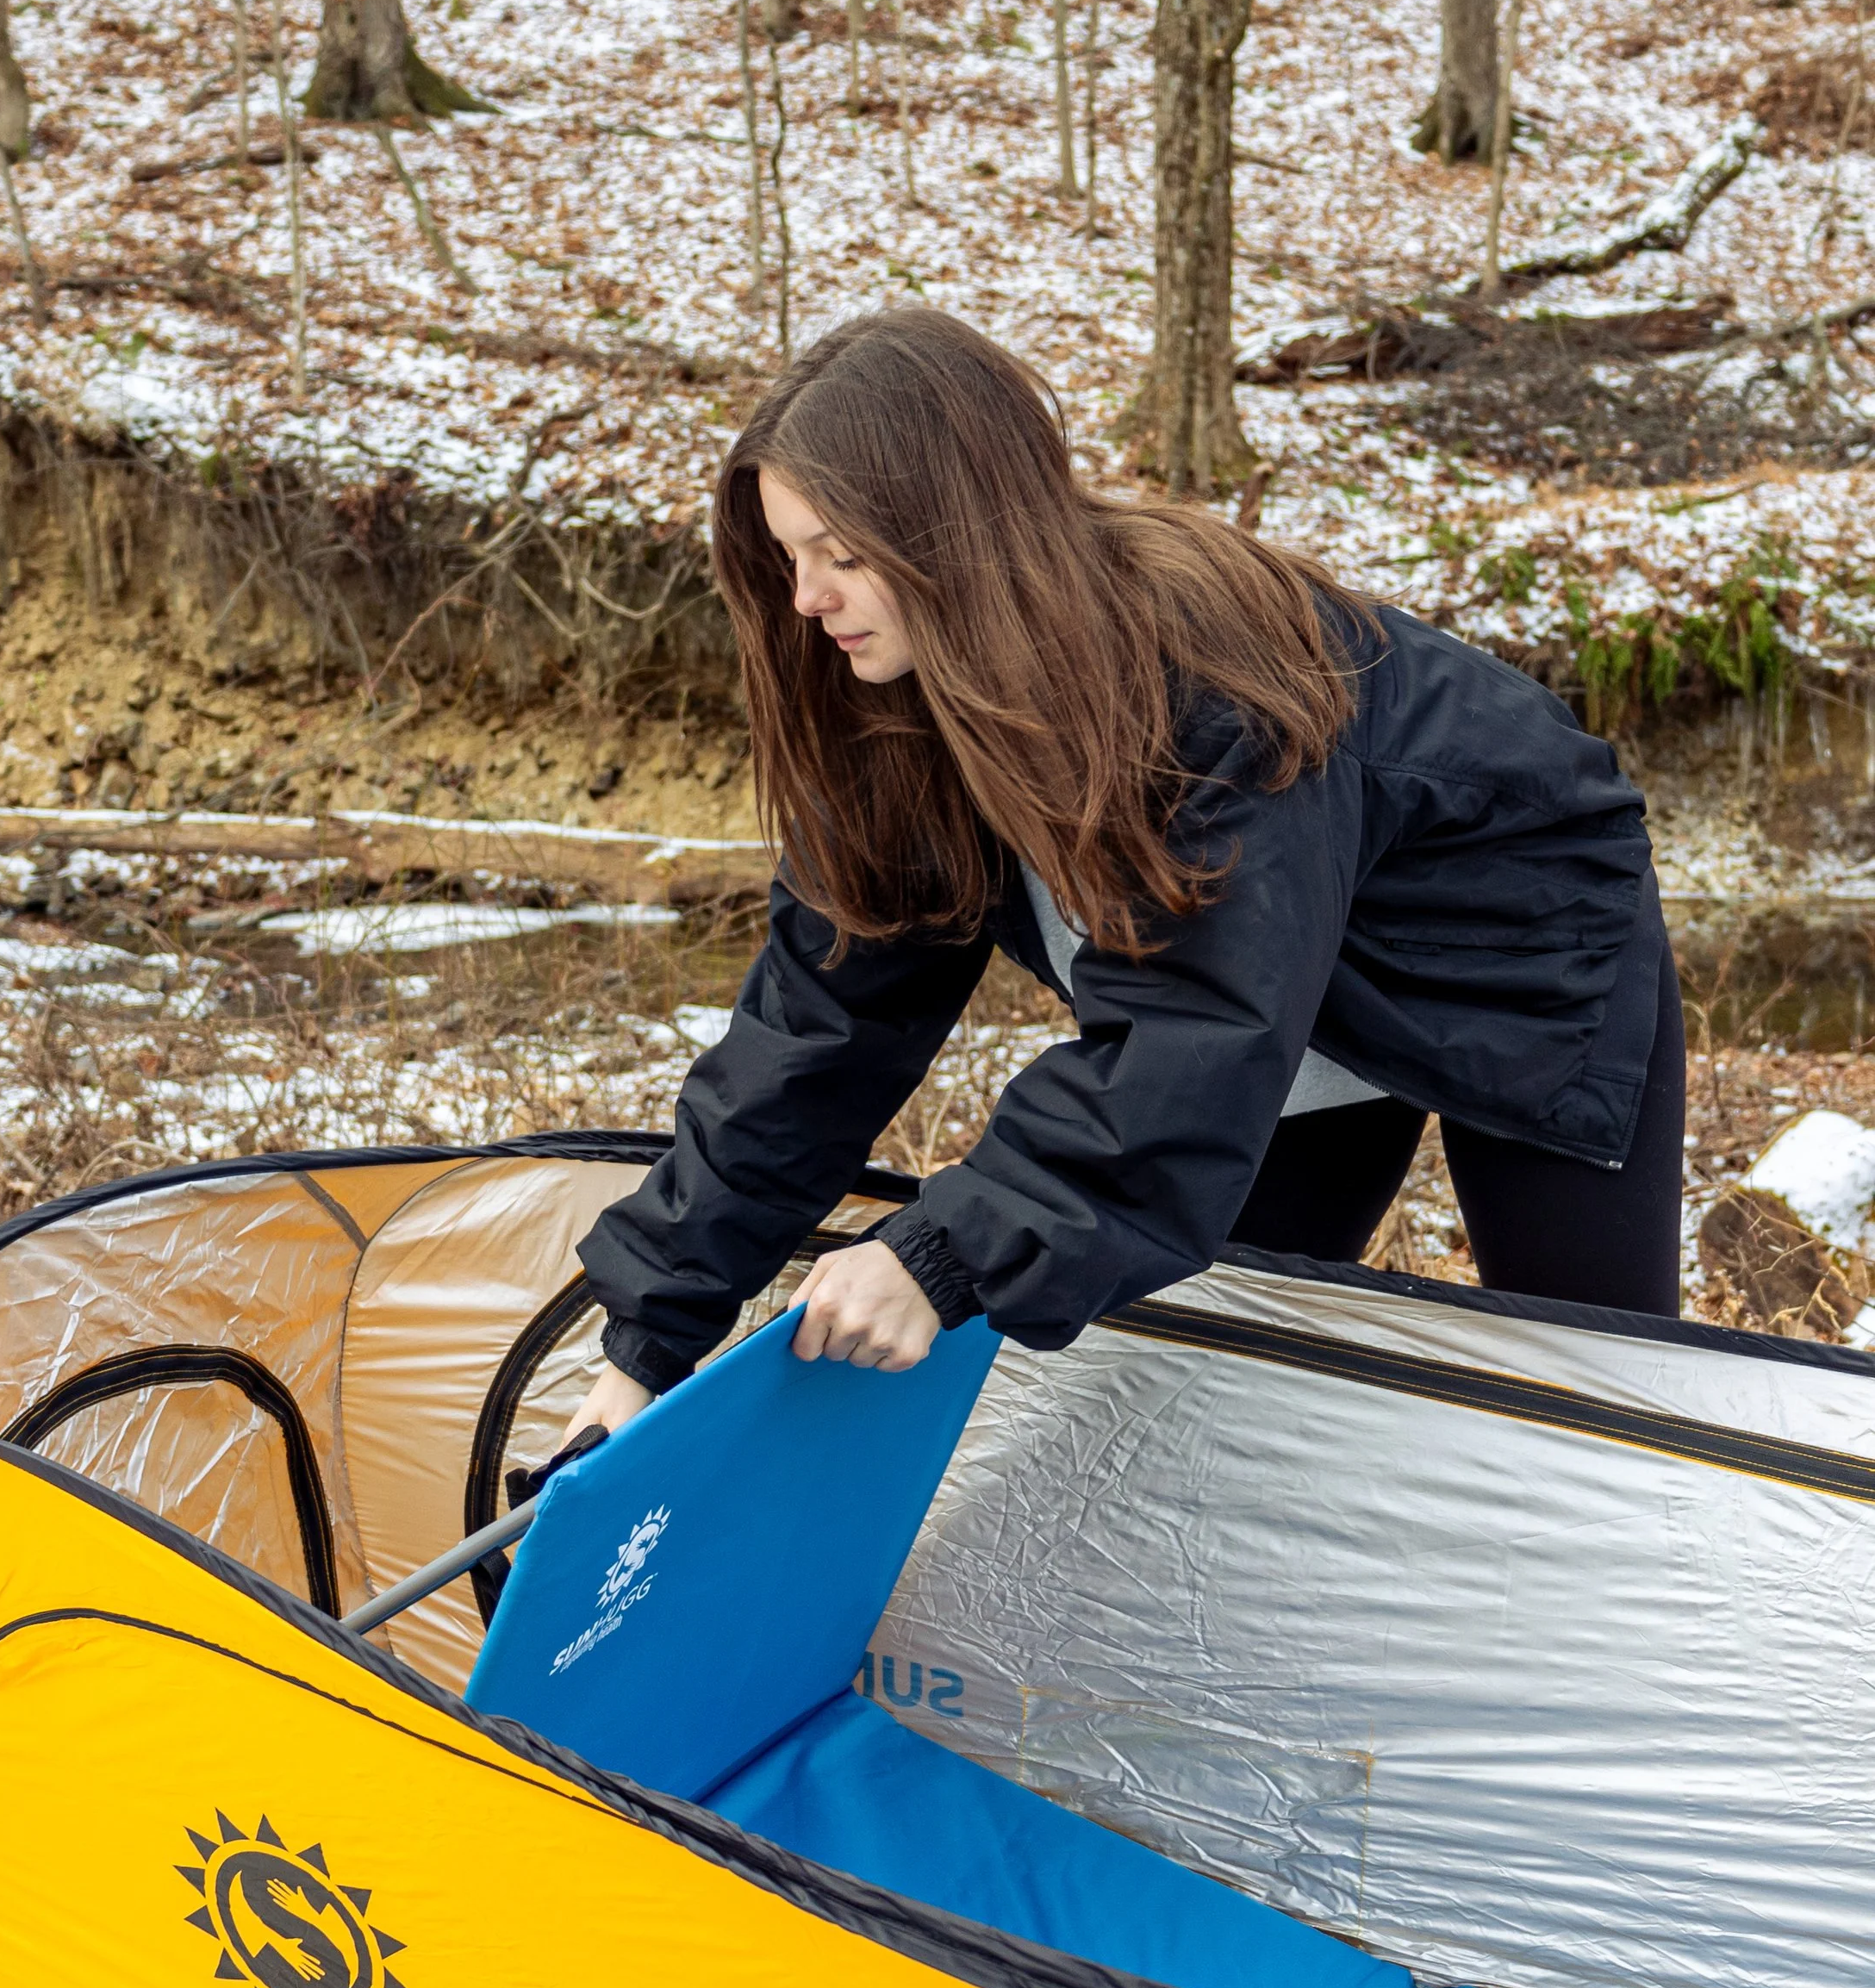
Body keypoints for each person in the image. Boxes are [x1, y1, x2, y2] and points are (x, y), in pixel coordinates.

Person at [564, 307, 1681, 1444]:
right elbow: (814, 1037)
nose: (807, 598)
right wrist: (644, 1345)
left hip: (1516, 949)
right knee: (1221, 1381)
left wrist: (937, 1251)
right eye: (789, 555)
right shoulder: (888, 707)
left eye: (844, 557)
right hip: (1265, 1001)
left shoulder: (1209, 689)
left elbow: (1194, 1028)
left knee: (1595, 1397)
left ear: (961, 538)